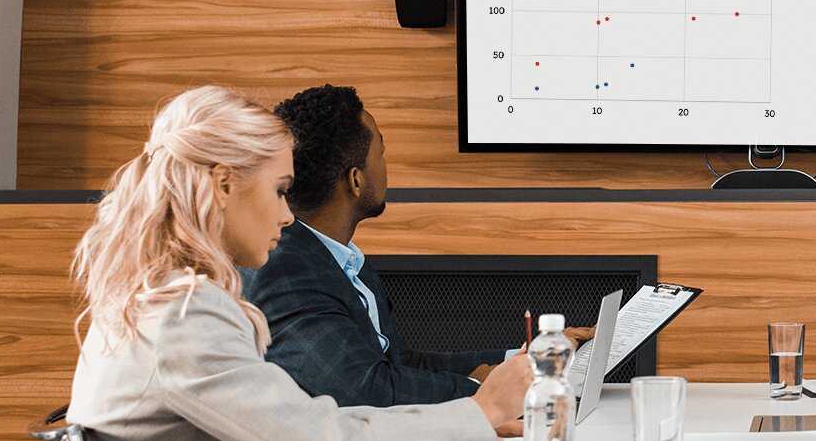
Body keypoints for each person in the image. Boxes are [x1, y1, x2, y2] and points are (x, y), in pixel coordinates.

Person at [67, 86, 532, 441]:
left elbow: (314, 424)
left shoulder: (158, 298)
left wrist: (465, 420)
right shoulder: (184, 317)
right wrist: (480, 413)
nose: (289, 215)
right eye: (280, 191)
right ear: (225, 185)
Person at [244, 84, 589, 407]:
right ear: (356, 180)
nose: (385, 163)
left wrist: (520, 361)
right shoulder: (284, 268)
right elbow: (364, 389)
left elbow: (401, 364)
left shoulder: (338, 259)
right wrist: (489, 392)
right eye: (381, 151)